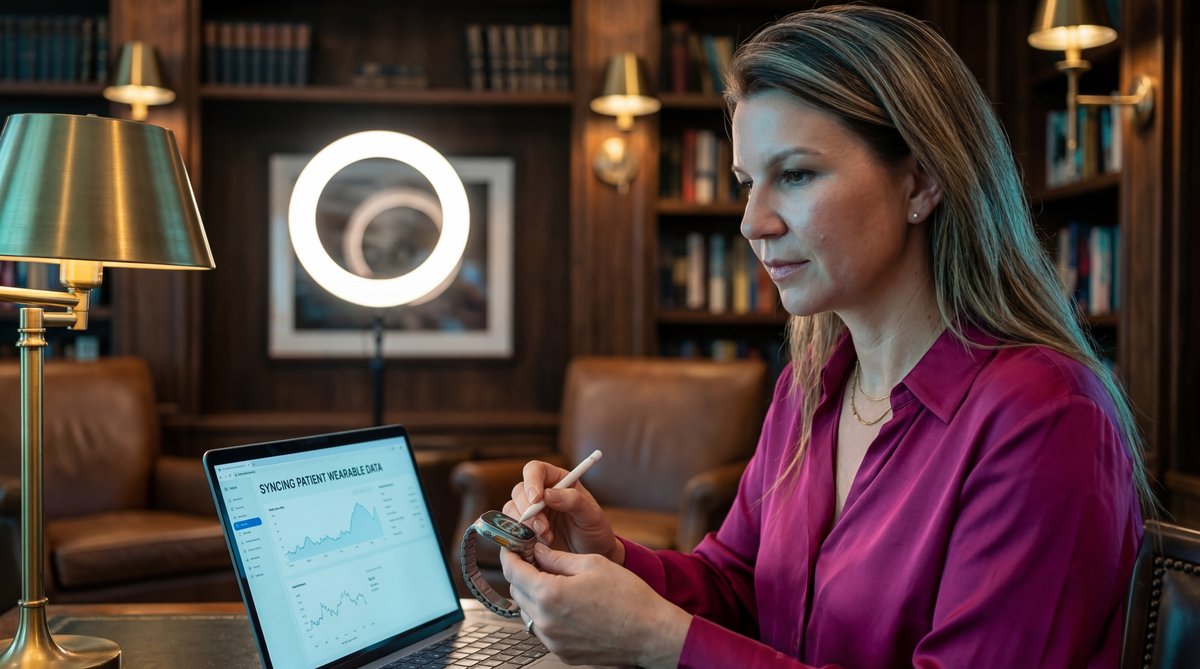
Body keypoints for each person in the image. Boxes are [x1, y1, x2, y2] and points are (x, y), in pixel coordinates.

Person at [499, 6, 1150, 668]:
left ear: (921, 181)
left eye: (797, 174)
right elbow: (740, 587)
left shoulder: (1045, 415)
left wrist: (656, 637)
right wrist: (610, 558)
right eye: (748, 183)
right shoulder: (807, 389)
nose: (753, 222)